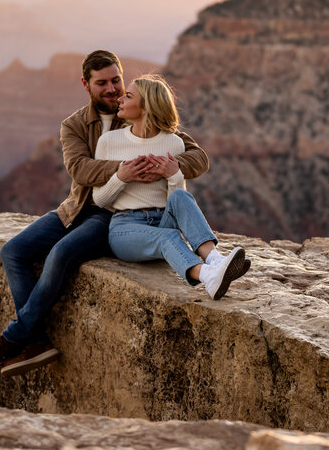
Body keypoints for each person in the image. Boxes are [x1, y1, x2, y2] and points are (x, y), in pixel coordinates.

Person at [0, 50, 210, 377]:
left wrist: (170, 165)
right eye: (102, 83)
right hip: (76, 209)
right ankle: (38, 341)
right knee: (12, 250)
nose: (112, 89)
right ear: (86, 84)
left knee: (60, 254)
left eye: (117, 80)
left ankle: (14, 336)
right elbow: (80, 169)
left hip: (114, 216)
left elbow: (197, 157)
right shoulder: (74, 125)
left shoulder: (142, 112)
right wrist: (124, 169)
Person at [94, 74, 249, 299]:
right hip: (125, 229)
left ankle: (215, 260)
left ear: (146, 107)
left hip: (163, 219)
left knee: (182, 198)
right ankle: (207, 276)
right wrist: (121, 176)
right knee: (168, 238)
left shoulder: (173, 143)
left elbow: (175, 200)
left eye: (128, 96)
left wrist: (174, 174)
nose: (120, 99)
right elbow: (99, 199)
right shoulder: (109, 141)